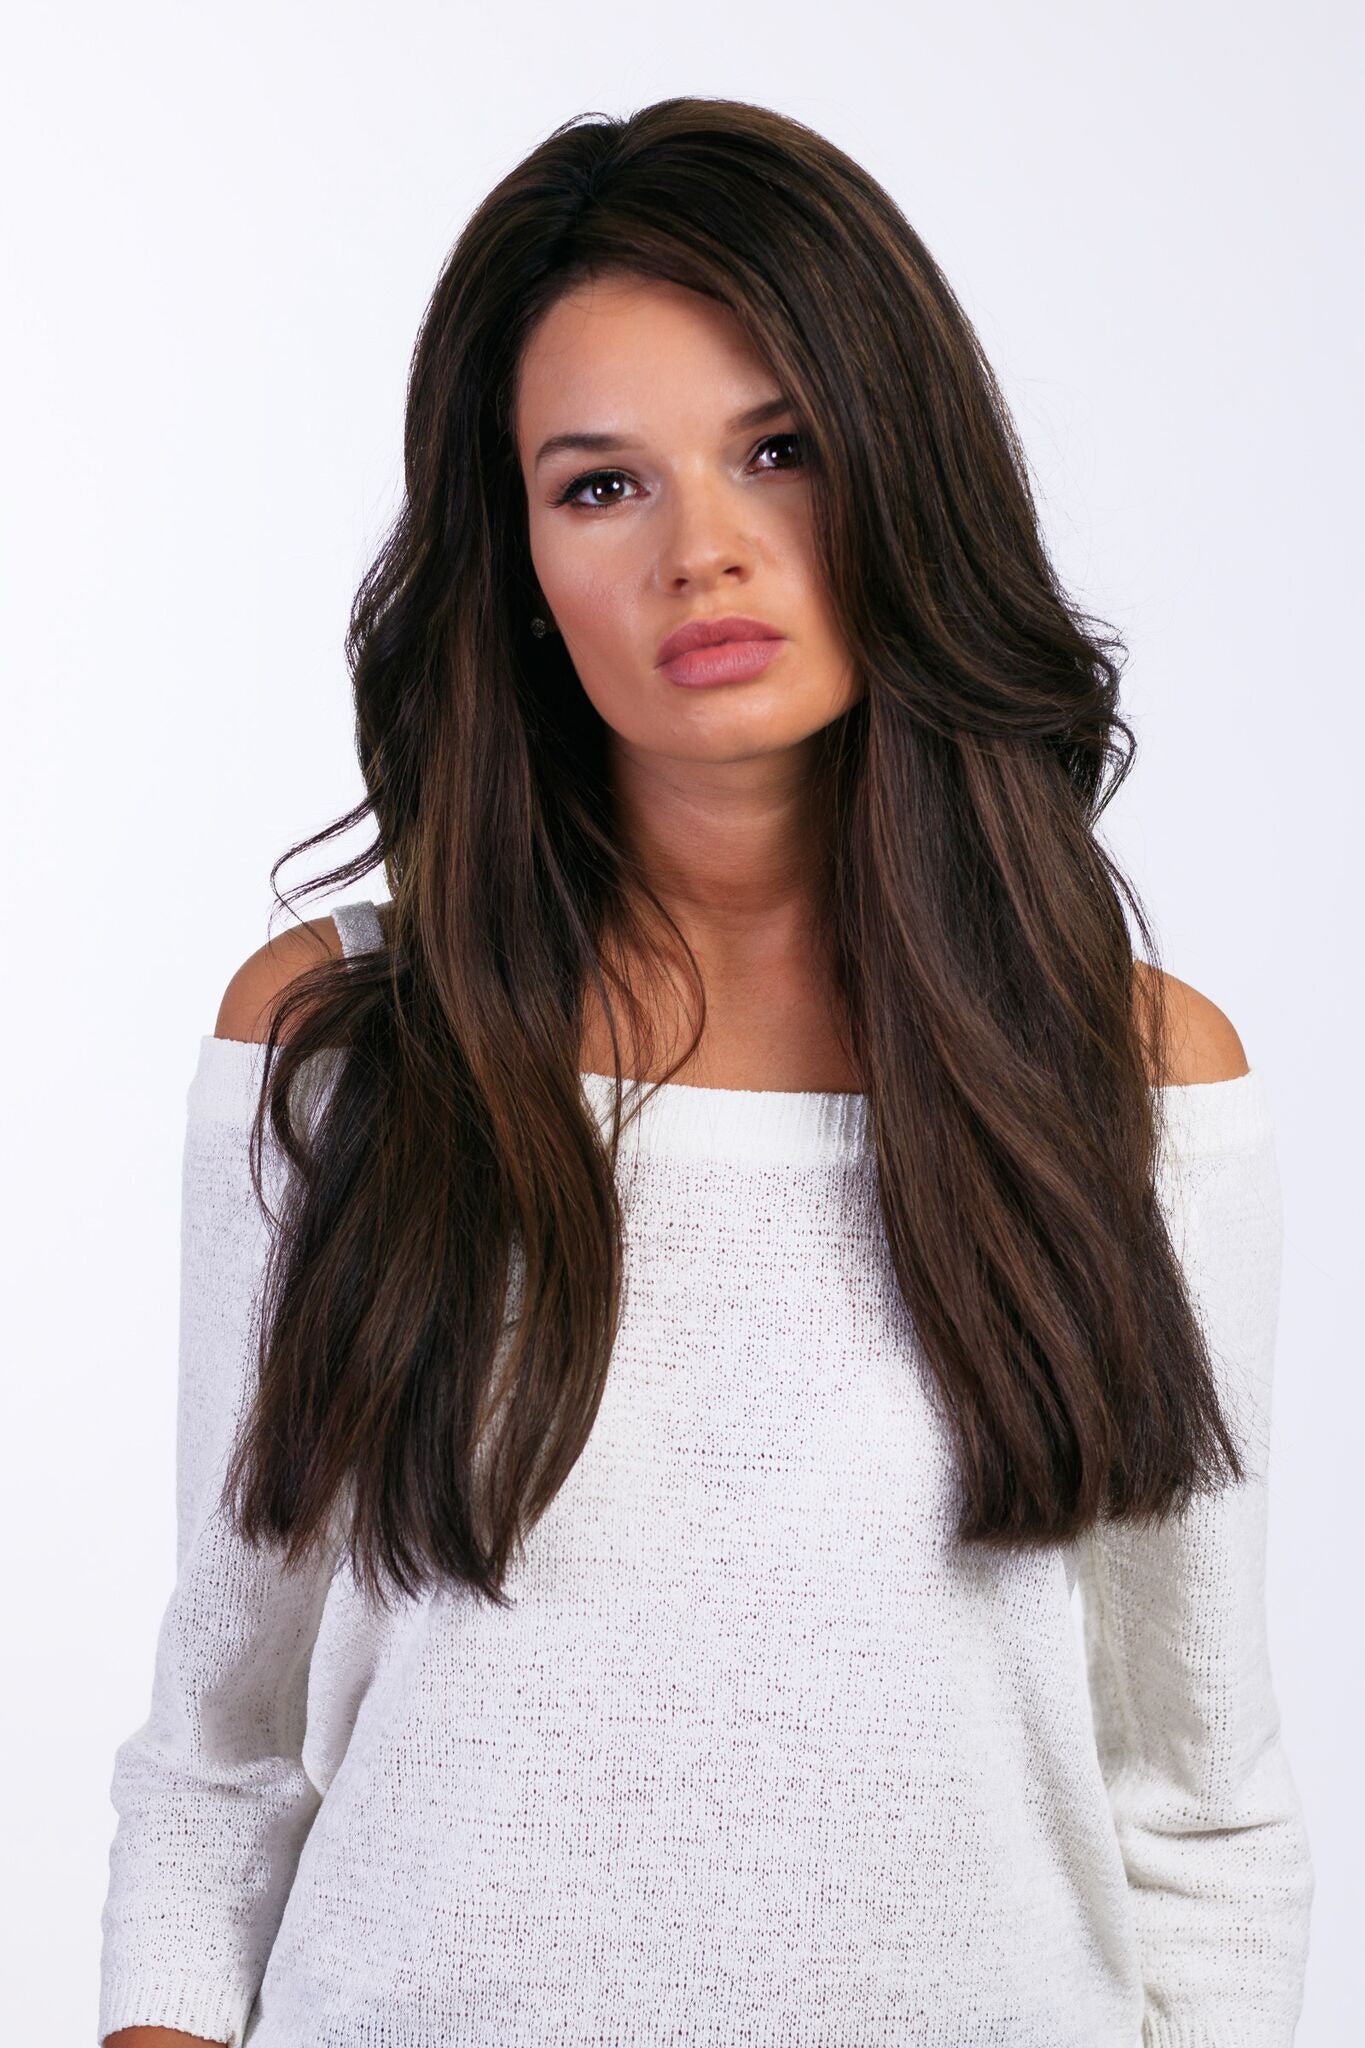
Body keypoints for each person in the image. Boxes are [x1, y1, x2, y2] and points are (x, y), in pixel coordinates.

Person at [98, 96, 1313, 2048]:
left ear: (901, 469)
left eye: (777, 449)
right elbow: (217, 1755)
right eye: (600, 485)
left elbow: (1198, 1806)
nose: (704, 551)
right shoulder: (340, 1054)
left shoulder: (1137, 1089)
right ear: (515, 561)